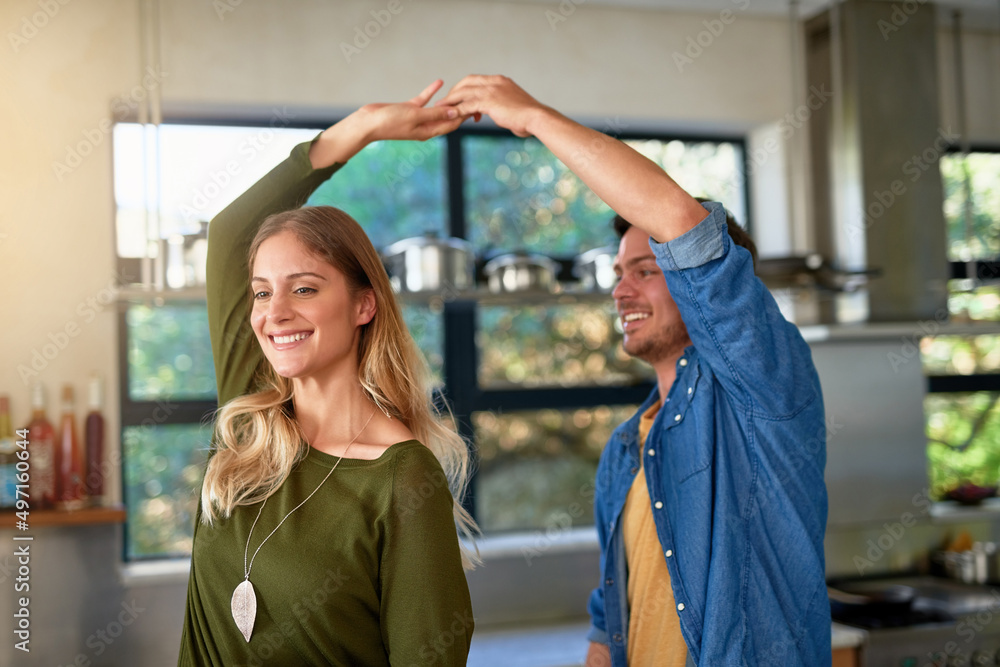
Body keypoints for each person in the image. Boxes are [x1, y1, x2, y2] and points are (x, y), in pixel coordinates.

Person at [432, 76, 830, 665]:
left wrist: (536, 117)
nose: (621, 292)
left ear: (700, 290)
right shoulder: (626, 448)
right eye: (619, 273)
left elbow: (680, 223)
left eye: (645, 270)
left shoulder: (762, 382)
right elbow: (611, 613)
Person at [177, 81, 478, 666]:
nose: (274, 314)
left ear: (364, 305)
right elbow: (229, 234)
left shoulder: (402, 477)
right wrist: (360, 127)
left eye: (305, 289)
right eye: (262, 293)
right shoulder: (251, 416)